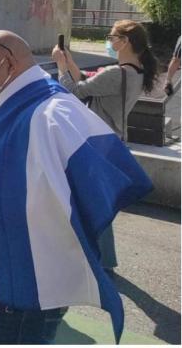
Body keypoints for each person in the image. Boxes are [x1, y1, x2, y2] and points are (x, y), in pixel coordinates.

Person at [0, 30, 152, 344]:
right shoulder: (15, 102)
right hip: (6, 274)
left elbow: (104, 174)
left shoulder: (52, 110)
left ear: (8, 64)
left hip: (27, 282)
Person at [53, 19, 157, 270]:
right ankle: (99, 257)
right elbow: (86, 84)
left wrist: (59, 66)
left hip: (94, 144)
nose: (109, 42)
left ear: (125, 42)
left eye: (112, 37)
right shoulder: (134, 72)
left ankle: (98, 259)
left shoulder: (116, 74)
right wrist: (69, 61)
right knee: (94, 199)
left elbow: (72, 91)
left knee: (87, 199)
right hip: (110, 142)